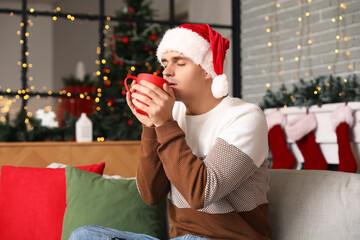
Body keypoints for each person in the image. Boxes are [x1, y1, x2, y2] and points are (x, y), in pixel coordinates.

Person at [69, 23, 271, 240]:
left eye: (180, 63)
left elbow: (201, 194)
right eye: (165, 62)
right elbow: (150, 194)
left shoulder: (245, 117)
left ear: (207, 69)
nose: (167, 71)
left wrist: (164, 124)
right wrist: (150, 127)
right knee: (85, 235)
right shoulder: (172, 116)